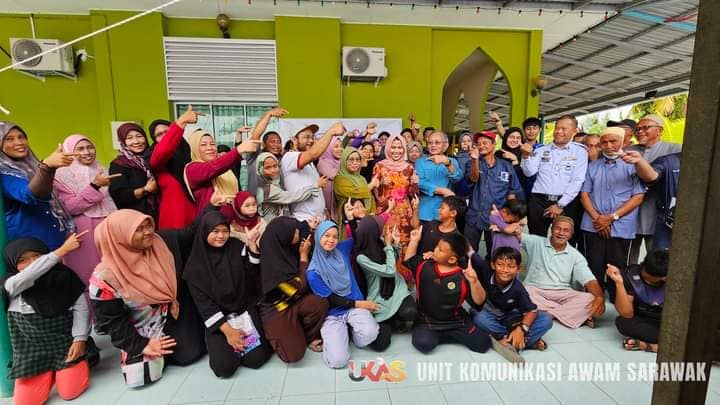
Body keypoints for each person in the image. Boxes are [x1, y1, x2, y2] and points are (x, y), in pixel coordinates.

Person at [90, 209, 206, 387]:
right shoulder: (104, 279)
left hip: (172, 313)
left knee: (188, 355)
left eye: (148, 226)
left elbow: (191, 232)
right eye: (138, 229)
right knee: (139, 379)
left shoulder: (160, 245)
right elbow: (112, 322)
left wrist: (212, 205)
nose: (148, 232)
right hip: (140, 329)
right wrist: (141, 345)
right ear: (119, 237)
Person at [1, 235, 90, 404]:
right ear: (12, 264)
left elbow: (81, 309)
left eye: (37, 255)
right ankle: (48, 373)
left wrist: (80, 339)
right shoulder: (11, 284)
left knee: (70, 392)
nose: (32, 262)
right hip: (31, 352)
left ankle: (64, 369)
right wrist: (60, 252)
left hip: (65, 346)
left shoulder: (64, 275)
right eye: (22, 260)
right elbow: (28, 277)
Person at [183, 211, 273, 377]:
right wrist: (229, 333)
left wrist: (252, 245)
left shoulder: (236, 247)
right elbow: (205, 305)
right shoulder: (195, 267)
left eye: (225, 231)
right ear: (204, 231)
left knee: (256, 359)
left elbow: (253, 275)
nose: (221, 236)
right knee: (224, 368)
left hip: (243, 310)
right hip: (219, 320)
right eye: (215, 231)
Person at [579, 127, 645, 301]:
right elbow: (584, 195)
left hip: (621, 227)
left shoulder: (632, 166)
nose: (608, 146)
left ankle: (619, 305)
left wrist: (611, 218)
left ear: (623, 142)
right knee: (593, 266)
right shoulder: (592, 166)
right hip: (593, 225)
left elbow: (638, 197)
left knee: (618, 269)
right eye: (604, 142)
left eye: (613, 141)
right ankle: (594, 303)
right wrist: (598, 219)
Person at [404, 227, 491, 354]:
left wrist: (474, 281)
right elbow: (409, 261)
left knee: (483, 344)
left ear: (452, 259)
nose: (435, 250)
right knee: (423, 343)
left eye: (440, 250)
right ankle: (443, 335)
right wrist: (414, 241)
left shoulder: (463, 275)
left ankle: (445, 335)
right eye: (437, 246)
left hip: (456, 322)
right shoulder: (424, 265)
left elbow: (479, 302)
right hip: (428, 321)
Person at [307, 221, 382, 368]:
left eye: (335, 237)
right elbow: (331, 299)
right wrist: (362, 304)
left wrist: (351, 220)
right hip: (332, 313)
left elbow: (357, 238)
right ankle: (339, 336)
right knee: (338, 361)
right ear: (318, 236)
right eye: (326, 236)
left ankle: (352, 335)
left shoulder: (341, 250)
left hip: (353, 307)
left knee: (371, 333)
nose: (331, 240)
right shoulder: (313, 272)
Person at [54, 134, 118, 306]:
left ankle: (112, 314)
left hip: (108, 227)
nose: (87, 152)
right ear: (69, 151)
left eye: (90, 147)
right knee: (88, 275)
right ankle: (92, 316)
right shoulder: (61, 175)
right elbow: (69, 207)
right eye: (80, 149)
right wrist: (94, 186)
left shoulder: (101, 168)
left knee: (112, 273)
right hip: (83, 230)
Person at [258, 217, 329, 363]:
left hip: (294, 300)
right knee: (294, 355)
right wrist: (303, 257)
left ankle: (305, 336)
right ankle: (280, 336)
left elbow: (303, 230)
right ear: (284, 237)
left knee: (319, 303)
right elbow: (301, 288)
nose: (298, 233)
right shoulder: (273, 268)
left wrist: (312, 229)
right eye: (294, 232)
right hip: (277, 309)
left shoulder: (282, 248)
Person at [520, 216, 605, 329]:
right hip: (535, 290)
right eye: (558, 229)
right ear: (551, 229)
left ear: (571, 234)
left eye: (566, 230)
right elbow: (516, 234)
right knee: (523, 292)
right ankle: (567, 313)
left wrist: (599, 297)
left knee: (590, 298)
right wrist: (503, 222)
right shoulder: (535, 242)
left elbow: (589, 280)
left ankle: (547, 314)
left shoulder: (575, 255)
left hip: (562, 293)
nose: (561, 233)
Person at [1, 121, 75, 249]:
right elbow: (29, 195)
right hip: (30, 248)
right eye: (9, 139)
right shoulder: (4, 173)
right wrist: (47, 167)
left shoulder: (33, 166)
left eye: (21, 137)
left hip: (53, 241)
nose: (19, 142)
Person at [470, 247, 552, 351]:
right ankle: (524, 341)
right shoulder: (485, 269)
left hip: (513, 318)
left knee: (546, 319)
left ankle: (507, 340)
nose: (505, 270)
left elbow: (532, 310)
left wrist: (522, 329)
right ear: (493, 265)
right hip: (491, 315)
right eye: (500, 265)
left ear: (518, 269)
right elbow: (469, 250)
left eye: (511, 266)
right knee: (478, 317)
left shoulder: (518, 289)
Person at [353, 216, 418, 346]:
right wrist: (388, 245)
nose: (384, 230)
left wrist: (395, 245)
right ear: (373, 231)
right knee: (380, 344)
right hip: (379, 297)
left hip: (396, 288)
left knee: (411, 312)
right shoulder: (361, 257)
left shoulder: (380, 241)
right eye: (381, 228)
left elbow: (393, 261)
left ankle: (396, 317)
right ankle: (391, 319)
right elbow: (389, 270)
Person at [626, 115, 682, 264]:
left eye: (646, 128)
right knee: (628, 260)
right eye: (637, 129)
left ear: (660, 130)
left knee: (657, 261)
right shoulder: (628, 151)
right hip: (630, 212)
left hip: (660, 214)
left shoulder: (675, 149)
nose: (640, 131)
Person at [521, 115, 587, 239]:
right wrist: (525, 157)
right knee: (536, 240)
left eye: (564, 129)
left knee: (564, 240)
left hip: (566, 202)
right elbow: (529, 172)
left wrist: (560, 205)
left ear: (574, 131)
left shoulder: (580, 152)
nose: (559, 131)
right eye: (557, 128)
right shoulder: (541, 150)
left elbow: (577, 180)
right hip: (539, 201)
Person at [465, 131, 523, 256]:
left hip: (497, 218)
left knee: (495, 253)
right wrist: (474, 160)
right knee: (469, 253)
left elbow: (512, 192)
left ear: (493, 144)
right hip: (474, 216)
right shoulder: (472, 162)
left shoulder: (506, 166)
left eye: (485, 143)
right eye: (478, 144)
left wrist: (512, 219)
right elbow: (473, 179)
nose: (481, 146)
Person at [148, 106, 202, 229]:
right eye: (159, 135)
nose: (164, 136)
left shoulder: (187, 152)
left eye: (167, 131)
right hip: (175, 220)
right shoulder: (156, 158)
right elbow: (163, 151)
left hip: (196, 212)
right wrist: (181, 122)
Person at [184, 129, 260, 214]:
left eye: (212, 144)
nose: (209, 148)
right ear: (194, 148)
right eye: (203, 145)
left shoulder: (224, 168)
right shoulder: (192, 169)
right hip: (211, 220)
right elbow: (212, 168)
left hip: (233, 218)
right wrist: (238, 150)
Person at [607, 249, 668, 353]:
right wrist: (619, 283)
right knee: (623, 322)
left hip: (666, 320)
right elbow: (627, 313)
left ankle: (649, 346)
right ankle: (664, 344)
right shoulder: (629, 274)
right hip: (644, 319)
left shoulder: (675, 278)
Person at [281, 123, 344, 222]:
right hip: (303, 220)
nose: (311, 140)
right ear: (294, 139)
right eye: (306, 137)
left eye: (312, 137)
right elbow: (313, 154)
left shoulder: (309, 163)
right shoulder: (289, 157)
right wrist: (331, 132)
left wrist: (324, 210)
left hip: (318, 219)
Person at [622, 151, 681, 250]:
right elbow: (652, 176)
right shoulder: (670, 161)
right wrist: (640, 161)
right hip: (668, 224)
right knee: (660, 257)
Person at [372, 134, 420, 250]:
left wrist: (415, 184)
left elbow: (412, 193)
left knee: (404, 243)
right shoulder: (379, 166)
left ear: (404, 149)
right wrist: (381, 183)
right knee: (385, 242)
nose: (396, 151)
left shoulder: (409, 167)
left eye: (400, 147)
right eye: (393, 147)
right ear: (388, 148)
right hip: (386, 209)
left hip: (404, 212)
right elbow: (374, 192)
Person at [255, 152, 324, 222]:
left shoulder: (276, 184)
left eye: (275, 166)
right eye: (267, 168)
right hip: (272, 226)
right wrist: (315, 186)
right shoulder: (267, 190)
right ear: (260, 170)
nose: (273, 170)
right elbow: (292, 197)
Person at [109, 123, 159, 218]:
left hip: (160, 212)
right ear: (123, 141)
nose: (136, 141)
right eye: (129, 138)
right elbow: (119, 196)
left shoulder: (155, 157)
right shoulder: (119, 164)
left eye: (139, 136)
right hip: (135, 217)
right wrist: (145, 190)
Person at [416, 131, 463, 222]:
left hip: (446, 211)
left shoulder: (451, 161)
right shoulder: (420, 162)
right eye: (430, 143)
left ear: (445, 145)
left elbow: (457, 178)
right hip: (425, 210)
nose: (433, 145)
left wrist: (447, 163)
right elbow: (420, 182)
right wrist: (442, 190)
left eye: (437, 142)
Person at [334, 147, 378, 237]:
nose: (355, 162)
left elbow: (370, 197)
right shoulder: (339, 179)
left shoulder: (361, 178)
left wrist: (372, 212)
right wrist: (371, 185)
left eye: (357, 160)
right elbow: (356, 193)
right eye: (351, 159)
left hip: (365, 219)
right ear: (344, 161)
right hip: (348, 221)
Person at [242, 108, 288, 195]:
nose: (276, 145)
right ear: (263, 144)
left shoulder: (281, 159)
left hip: (278, 201)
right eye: (272, 142)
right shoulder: (255, 155)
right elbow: (256, 135)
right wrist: (269, 114)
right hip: (256, 201)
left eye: (279, 142)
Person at [317, 136, 343, 221]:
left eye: (341, 146)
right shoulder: (322, 161)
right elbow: (333, 175)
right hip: (327, 205)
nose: (340, 149)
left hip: (339, 201)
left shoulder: (341, 162)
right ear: (328, 148)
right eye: (336, 146)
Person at [453, 131, 474, 199]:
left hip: (472, 188)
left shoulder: (476, 157)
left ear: (473, 143)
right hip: (459, 187)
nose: (466, 143)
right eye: (463, 141)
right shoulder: (456, 157)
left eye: (468, 141)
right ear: (459, 143)